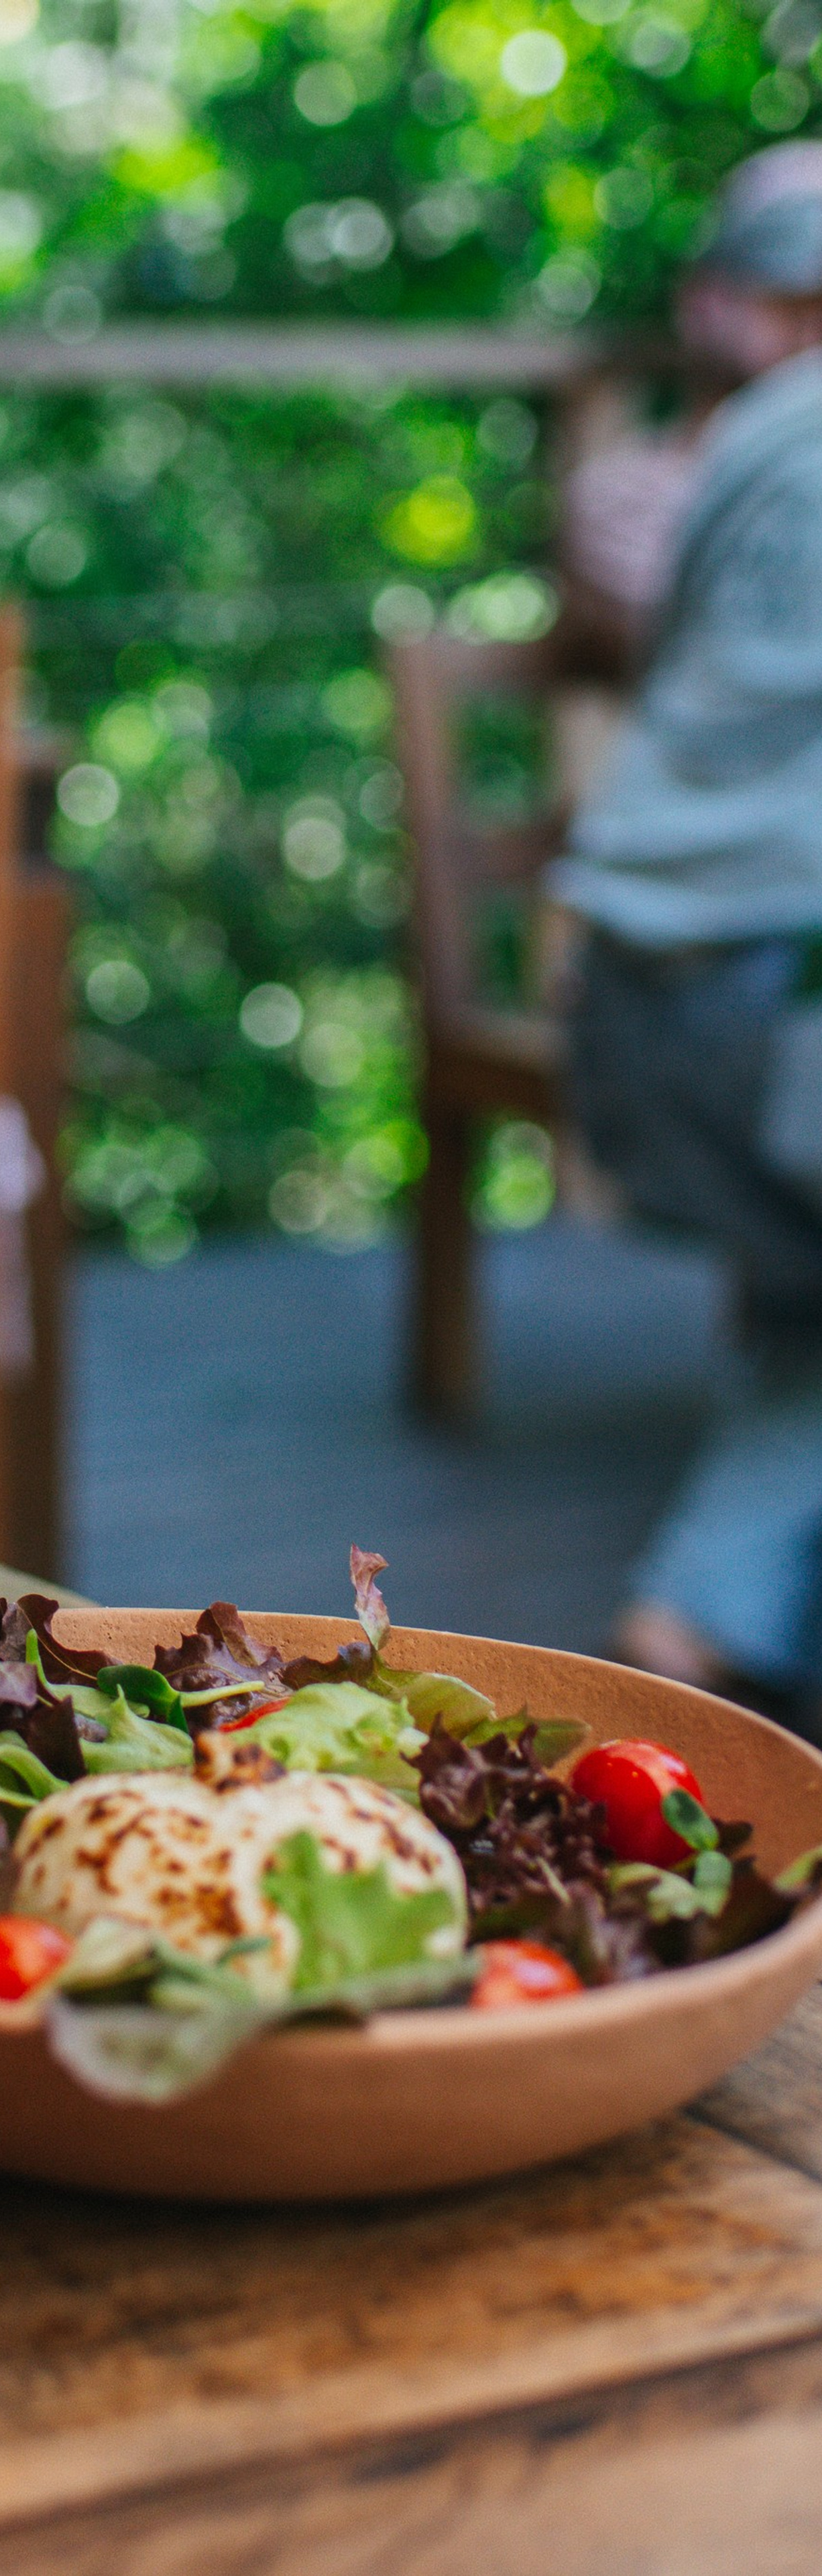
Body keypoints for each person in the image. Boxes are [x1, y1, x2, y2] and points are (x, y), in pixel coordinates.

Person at [550, 151, 822, 1726]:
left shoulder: (717, 449)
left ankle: (695, 1618)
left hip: (634, 1004)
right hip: (766, 1005)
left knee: (807, 1306)